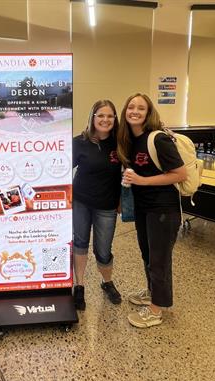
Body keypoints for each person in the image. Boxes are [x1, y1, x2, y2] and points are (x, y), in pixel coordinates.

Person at [118, 93, 187, 328]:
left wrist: (141, 181)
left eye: (141, 108)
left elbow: (180, 174)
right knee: (148, 255)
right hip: (144, 208)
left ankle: (156, 310)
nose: (134, 111)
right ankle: (152, 292)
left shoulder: (158, 139)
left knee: (159, 260)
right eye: (131, 107)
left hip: (163, 210)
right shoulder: (131, 140)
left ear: (148, 113)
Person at [72, 100, 122, 310]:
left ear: (115, 119)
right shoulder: (80, 142)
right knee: (81, 243)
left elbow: (126, 175)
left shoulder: (120, 144)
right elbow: (60, 167)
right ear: (93, 118)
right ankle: (79, 286)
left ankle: (106, 282)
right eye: (100, 115)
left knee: (103, 250)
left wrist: (120, 202)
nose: (105, 120)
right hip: (81, 202)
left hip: (107, 206)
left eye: (110, 116)